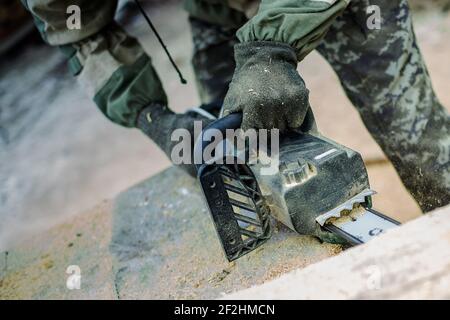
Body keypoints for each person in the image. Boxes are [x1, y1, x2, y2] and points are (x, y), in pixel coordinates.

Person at [21, 0, 449, 241]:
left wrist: (270, 48)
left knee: (420, 142)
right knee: (242, 155)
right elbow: (80, 31)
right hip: (215, 7)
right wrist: (148, 113)